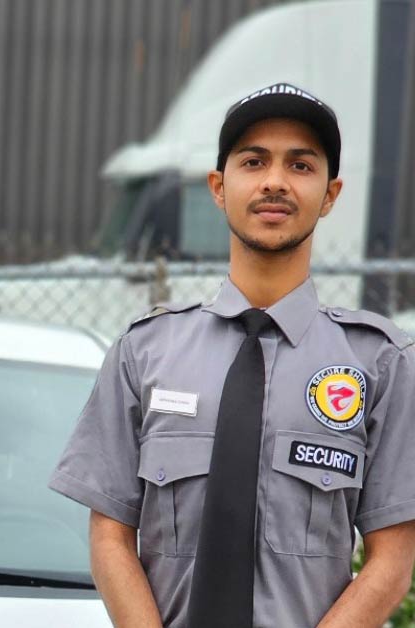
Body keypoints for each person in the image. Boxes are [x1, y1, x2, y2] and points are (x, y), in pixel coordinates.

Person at [49, 83, 415, 627]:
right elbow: (110, 535)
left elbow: (394, 557)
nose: (274, 181)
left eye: (300, 165)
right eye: (254, 161)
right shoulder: (144, 352)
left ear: (331, 194)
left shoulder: (381, 363)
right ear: (219, 187)